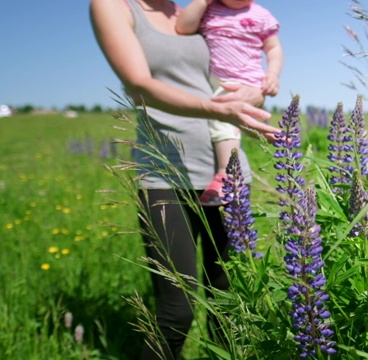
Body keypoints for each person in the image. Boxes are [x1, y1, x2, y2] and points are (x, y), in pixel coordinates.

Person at [89, 0, 280, 359]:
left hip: (227, 172)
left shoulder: (192, 13)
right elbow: (138, 85)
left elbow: (236, 65)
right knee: (176, 312)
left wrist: (254, 91)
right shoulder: (114, 5)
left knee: (227, 301)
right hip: (164, 173)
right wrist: (218, 108)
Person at [176, 0, 283, 206]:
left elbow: (274, 48)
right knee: (219, 121)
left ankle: (227, 175)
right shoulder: (209, 10)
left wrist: (273, 74)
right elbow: (183, 27)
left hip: (244, 81)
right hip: (211, 78)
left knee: (223, 123)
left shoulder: (260, 15)